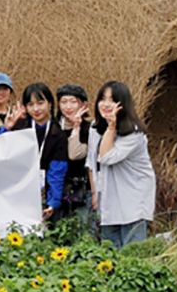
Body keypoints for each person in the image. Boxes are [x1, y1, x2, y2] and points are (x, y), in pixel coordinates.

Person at [86, 81, 156, 249]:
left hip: (132, 196)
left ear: (123, 104)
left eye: (112, 100)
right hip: (108, 195)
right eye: (103, 99)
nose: (106, 104)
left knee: (132, 253)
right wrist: (95, 193)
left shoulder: (134, 133)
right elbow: (91, 162)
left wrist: (111, 127)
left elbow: (107, 157)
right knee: (109, 250)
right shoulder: (95, 128)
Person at [0, 82, 68, 222]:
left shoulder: (58, 135)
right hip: (16, 193)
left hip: (43, 193)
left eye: (40, 103)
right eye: (30, 104)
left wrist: (53, 202)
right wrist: (6, 128)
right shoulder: (20, 128)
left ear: (50, 104)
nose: (36, 109)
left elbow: (56, 172)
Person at [55, 84, 93, 225]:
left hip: (82, 188)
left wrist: (76, 128)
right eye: (64, 102)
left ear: (83, 105)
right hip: (56, 187)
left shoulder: (90, 129)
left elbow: (74, 154)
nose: (68, 107)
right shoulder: (53, 127)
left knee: (83, 231)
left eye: (73, 102)